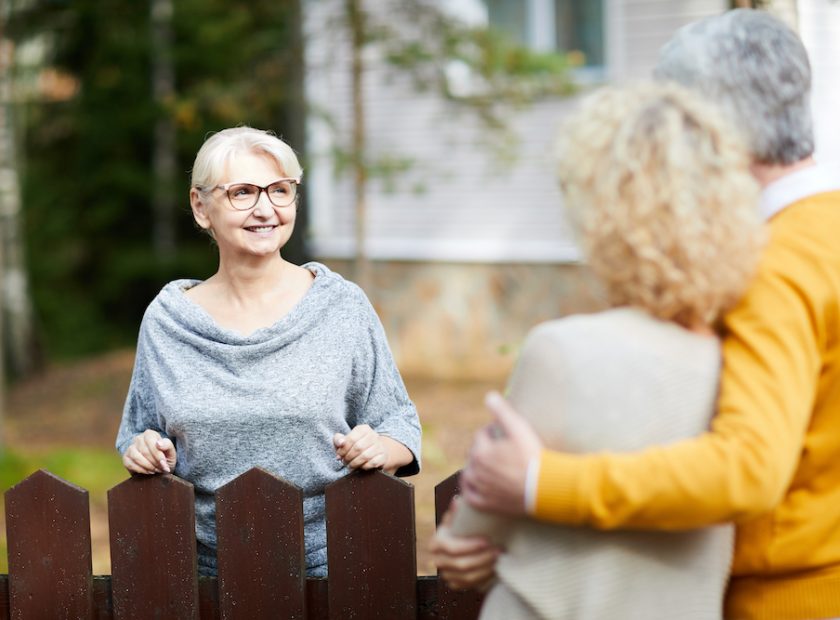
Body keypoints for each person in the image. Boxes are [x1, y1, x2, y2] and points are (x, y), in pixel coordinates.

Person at [433, 9, 840, 619]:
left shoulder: (774, 265)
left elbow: (750, 468)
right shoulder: (824, 228)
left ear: (711, 126)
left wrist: (540, 484)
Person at [440, 81, 763, 619]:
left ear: (600, 211)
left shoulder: (563, 352)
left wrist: (462, 541)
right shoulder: (747, 363)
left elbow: (470, 539)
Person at [116, 126, 421, 578]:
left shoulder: (340, 306)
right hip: (202, 575)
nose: (266, 209)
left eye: (280, 190)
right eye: (243, 192)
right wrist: (141, 450)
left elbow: (400, 425)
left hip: (333, 570)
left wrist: (380, 447)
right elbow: (137, 433)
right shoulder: (168, 321)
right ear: (201, 207)